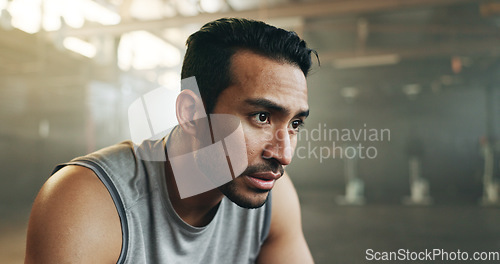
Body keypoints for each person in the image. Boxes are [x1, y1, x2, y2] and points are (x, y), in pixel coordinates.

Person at [25, 18, 316, 264]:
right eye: (261, 117)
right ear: (191, 113)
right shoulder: (84, 202)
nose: (284, 154)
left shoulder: (273, 195)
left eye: (295, 124)